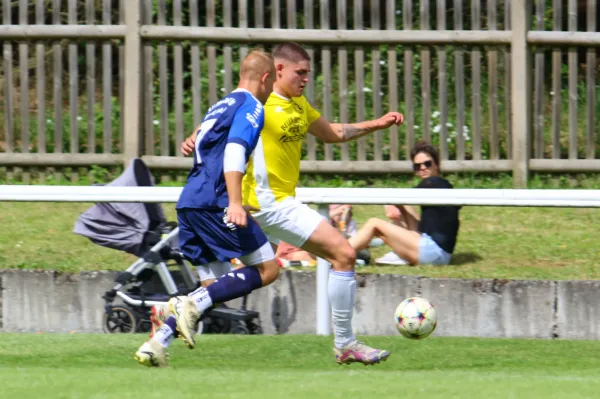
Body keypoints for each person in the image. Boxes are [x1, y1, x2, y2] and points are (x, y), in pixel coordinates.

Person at [179, 42, 404, 365]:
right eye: (301, 72)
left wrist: (377, 124)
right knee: (343, 253)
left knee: (236, 279)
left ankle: (164, 330)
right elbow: (224, 118)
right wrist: (195, 135)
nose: (306, 79)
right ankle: (345, 344)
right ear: (278, 71)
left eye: (309, 73)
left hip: (272, 206)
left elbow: (332, 133)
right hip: (269, 204)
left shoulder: (299, 105)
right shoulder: (259, 101)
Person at [134, 49, 277, 367]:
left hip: (189, 203)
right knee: (268, 269)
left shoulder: (222, 104)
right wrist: (236, 203)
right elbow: (235, 150)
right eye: (272, 82)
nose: (270, 91)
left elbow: (198, 140)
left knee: (215, 286)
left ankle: (157, 343)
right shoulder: (252, 106)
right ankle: (185, 304)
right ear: (265, 78)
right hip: (215, 202)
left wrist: (191, 140)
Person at [347, 141, 461, 266]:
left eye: (427, 164)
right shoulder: (443, 187)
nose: (422, 168)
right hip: (436, 251)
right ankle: (400, 253)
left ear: (436, 165)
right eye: (417, 166)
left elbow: (402, 195)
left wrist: (389, 203)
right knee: (404, 205)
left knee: (374, 224)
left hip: (433, 252)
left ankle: (338, 253)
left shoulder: (434, 182)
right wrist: (397, 204)